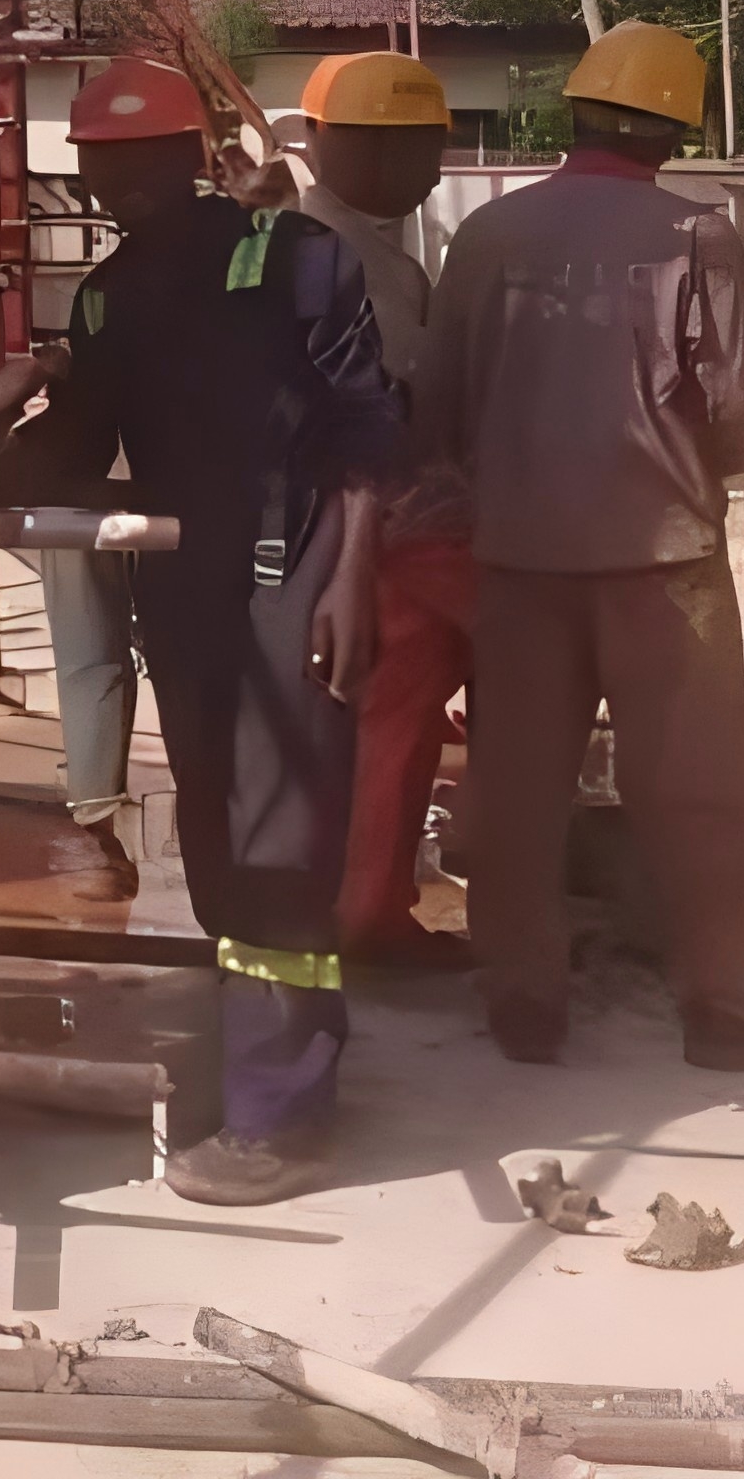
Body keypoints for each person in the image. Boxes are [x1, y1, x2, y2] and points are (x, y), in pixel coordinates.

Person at [0, 54, 399, 1204]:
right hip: (184, 578)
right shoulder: (109, 294)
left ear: (191, 156)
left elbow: (366, 427)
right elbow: (71, 449)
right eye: (99, 162)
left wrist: (351, 575)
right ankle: (274, 1066)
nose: (116, 179)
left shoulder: (298, 259)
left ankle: (280, 1120)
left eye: (137, 156)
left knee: (276, 834)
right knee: (222, 839)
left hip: (295, 561)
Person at [416, 23, 744, 1071]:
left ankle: (520, 1000)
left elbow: (438, 406)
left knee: (514, 790)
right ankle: (730, 1012)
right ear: (670, 127)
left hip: (516, 555)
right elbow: (742, 411)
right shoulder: (694, 234)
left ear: (573, 112)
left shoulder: (485, 238)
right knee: (695, 793)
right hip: (661, 558)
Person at [296, 50, 472, 969]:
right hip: (378, 540)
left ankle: (350, 907)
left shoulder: (316, 241)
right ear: (332, 145)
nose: (433, 174)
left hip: (329, 538)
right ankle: (367, 914)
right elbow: (391, 418)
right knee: (394, 726)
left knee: (362, 733)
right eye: (413, 153)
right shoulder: (351, 266)